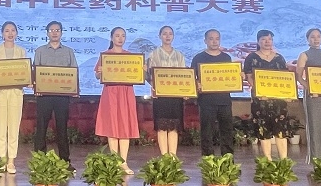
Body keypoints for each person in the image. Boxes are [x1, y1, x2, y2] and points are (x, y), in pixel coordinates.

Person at [33, 21, 78, 174]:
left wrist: (74, 89)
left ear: (61, 32)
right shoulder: (40, 51)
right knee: (41, 129)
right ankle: (39, 162)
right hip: (44, 96)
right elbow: (35, 71)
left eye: (57, 30)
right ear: (47, 33)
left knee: (62, 129)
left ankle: (65, 161)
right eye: (51, 30)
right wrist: (36, 87)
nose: (54, 33)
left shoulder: (69, 51)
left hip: (62, 97)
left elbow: (74, 71)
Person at [94, 27, 139, 174]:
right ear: (112, 37)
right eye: (117, 35)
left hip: (126, 92)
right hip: (111, 93)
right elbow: (97, 75)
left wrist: (141, 69)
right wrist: (99, 72)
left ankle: (123, 162)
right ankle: (114, 161)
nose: (120, 38)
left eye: (123, 36)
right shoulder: (105, 55)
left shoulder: (130, 56)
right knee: (112, 127)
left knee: (125, 126)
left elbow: (137, 75)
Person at [244, 29, 291, 160]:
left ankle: (284, 161)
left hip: (278, 101)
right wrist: (259, 91)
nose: (267, 42)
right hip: (260, 100)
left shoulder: (279, 58)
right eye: (264, 39)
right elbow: (249, 77)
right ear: (258, 41)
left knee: (281, 130)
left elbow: (285, 78)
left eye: (269, 39)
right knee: (263, 129)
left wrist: (288, 94)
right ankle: (268, 161)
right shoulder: (251, 58)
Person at [0, 21, 28, 174]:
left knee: (13, 127)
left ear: (17, 33)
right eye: (7, 30)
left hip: (15, 93)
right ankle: (2, 159)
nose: (10, 33)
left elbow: (24, 72)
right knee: (0, 127)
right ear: (2, 33)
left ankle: (11, 161)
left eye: (13, 30)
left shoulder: (21, 51)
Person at [295, 28, 321, 160]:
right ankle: (316, 159)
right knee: (314, 126)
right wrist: (310, 88)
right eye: (312, 37)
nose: (316, 39)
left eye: (318, 36)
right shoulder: (304, 55)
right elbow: (299, 76)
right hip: (313, 95)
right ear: (308, 39)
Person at [191, 29, 234, 157]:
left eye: (217, 38)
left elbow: (230, 77)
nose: (214, 41)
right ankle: (208, 160)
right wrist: (196, 84)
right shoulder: (198, 58)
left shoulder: (226, 57)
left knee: (227, 131)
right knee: (207, 132)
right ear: (205, 41)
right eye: (211, 39)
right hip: (206, 101)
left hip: (224, 100)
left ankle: (228, 161)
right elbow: (191, 77)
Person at [147, 26, 186, 156]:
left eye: (170, 34)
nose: (168, 36)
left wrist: (186, 91)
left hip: (175, 95)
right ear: (160, 36)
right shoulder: (153, 54)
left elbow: (184, 75)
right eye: (164, 34)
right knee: (162, 126)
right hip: (160, 95)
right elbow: (148, 75)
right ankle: (164, 156)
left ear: (173, 36)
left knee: (174, 127)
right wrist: (154, 86)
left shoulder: (179, 55)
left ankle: (173, 156)